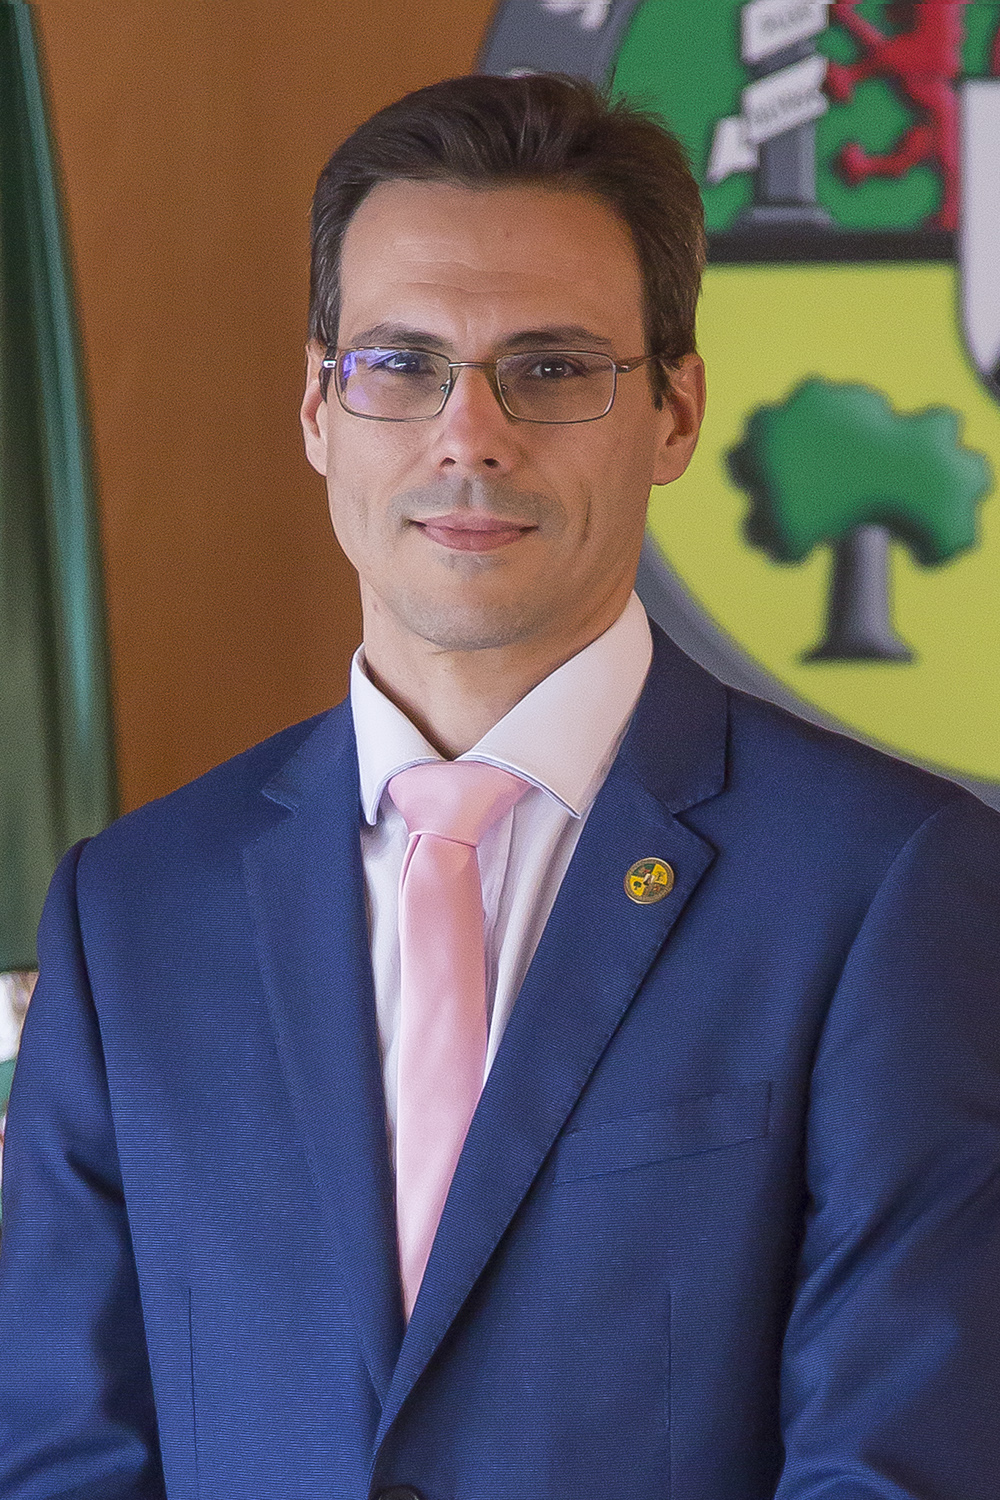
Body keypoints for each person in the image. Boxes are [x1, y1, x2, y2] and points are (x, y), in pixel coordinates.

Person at [1, 72, 999, 1500]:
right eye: (402, 365)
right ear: (317, 408)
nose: (469, 434)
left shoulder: (892, 887)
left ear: (673, 410)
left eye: (551, 366)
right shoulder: (132, 909)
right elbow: (59, 1453)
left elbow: (902, 1461)